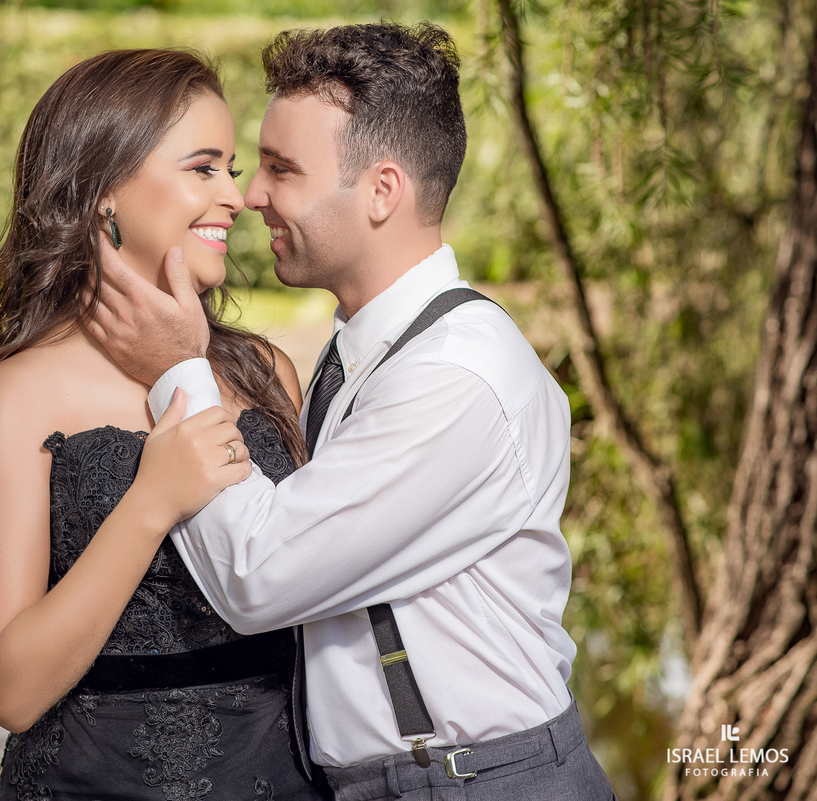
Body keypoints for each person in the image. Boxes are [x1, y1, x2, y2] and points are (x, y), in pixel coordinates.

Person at [86, 23, 617, 801]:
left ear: (382, 191)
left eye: (282, 169)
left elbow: (260, 574)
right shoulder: (368, 350)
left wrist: (176, 369)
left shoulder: (454, 377)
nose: (251, 195)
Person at [0, 48, 330, 801]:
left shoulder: (266, 373)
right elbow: (10, 691)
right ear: (102, 193)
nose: (236, 196)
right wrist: (150, 502)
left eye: (230, 169)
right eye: (203, 168)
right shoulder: (15, 397)